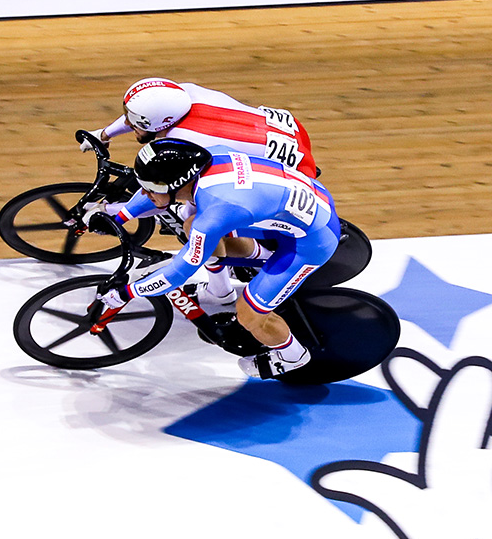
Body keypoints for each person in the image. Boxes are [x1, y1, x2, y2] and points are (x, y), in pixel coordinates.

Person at [90, 140, 340, 379]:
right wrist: (119, 216)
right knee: (192, 225)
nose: (145, 193)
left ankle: (292, 355)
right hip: (302, 206)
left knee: (248, 315)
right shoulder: (209, 157)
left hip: (312, 241)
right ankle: (222, 290)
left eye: (150, 188)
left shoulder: (215, 212)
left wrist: (128, 292)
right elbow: (162, 192)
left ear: (176, 183)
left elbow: (180, 272)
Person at [84, 77, 318, 177]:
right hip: (291, 130)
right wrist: (103, 134)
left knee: (198, 212)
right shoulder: (183, 92)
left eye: (135, 121)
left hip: (293, 170)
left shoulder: (183, 141)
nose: (129, 123)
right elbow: (144, 117)